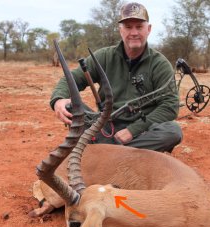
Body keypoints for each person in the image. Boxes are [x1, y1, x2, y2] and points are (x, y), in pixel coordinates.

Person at [50, 2, 182, 152]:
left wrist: (133, 130)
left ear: (148, 29)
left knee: (173, 131)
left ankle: (105, 151)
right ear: (120, 30)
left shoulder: (160, 64)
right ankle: (121, 151)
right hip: (105, 127)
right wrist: (58, 99)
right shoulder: (104, 56)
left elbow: (170, 106)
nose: (133, 32)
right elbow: (72, 79)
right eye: (128, 27)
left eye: (139, 27)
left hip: (143, 130)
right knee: (69, 105)